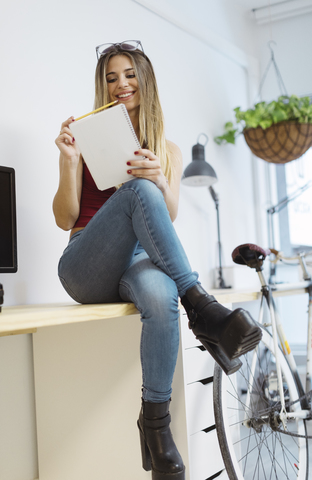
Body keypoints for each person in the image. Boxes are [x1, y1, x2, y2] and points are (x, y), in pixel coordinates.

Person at [53, 40, 261, 480]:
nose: (121, 84)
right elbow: (64, 217)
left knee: (161, 294)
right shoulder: (83, 139)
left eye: (129, 75)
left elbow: (166, 218)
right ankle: (203, 309)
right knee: (138, 192)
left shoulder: (168, 149)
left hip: (138, 262)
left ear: (145, 83)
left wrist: (160, 178)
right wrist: (70, 161)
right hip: (85, 261)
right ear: (103, 86)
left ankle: (155, 427)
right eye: (111, 77)